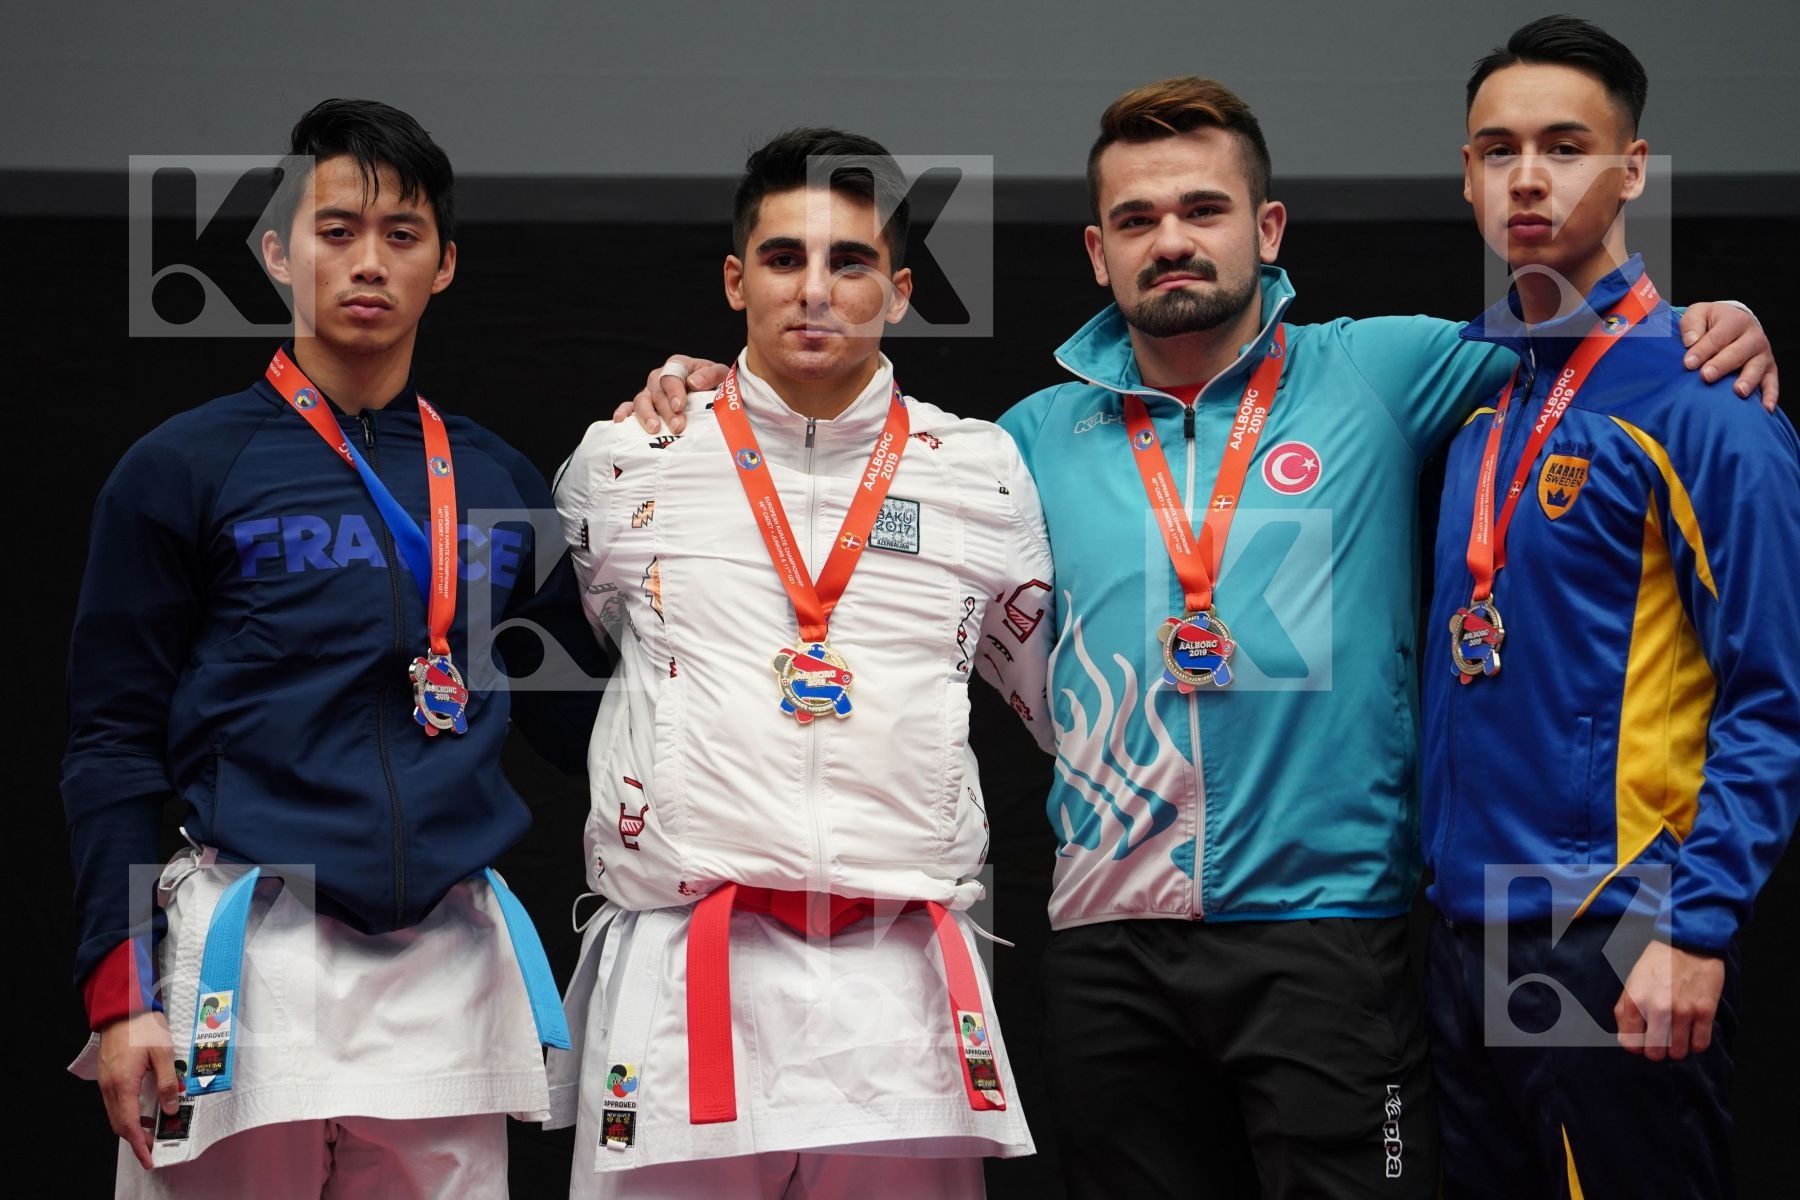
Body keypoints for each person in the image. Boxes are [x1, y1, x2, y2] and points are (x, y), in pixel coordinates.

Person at [619, 81, 1774, 1198]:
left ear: (1267, 228)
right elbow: (843, 453)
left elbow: (1585, 350)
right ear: (1096, 251)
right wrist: (714, 387)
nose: (1171, 240)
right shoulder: (1017, 445)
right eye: (1137, 219)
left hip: (1334, 935)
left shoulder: (1384, 370)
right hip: (1109, 946)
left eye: (1203, 210)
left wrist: (1706, 321)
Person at [62, 98, 608, 1197]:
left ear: (444, 265)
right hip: (250, 950)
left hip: (450, 960)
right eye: (336, 229)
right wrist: (121, 996)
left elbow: (596, 725)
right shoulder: (182, 468)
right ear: (275, 252)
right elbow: (111, 741)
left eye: (402, 236)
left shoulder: (498, 482)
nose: (369, 262)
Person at [547, 128, 1054, 1199]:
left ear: (902, 289)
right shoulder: (627, 460)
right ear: (737, 281)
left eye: (850, 262)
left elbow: (1046, 702)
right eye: (783, 259)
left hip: (901, 981)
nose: (814, 291)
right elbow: (594, 650)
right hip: (688, 974)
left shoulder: (982, 472)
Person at [1420, 17, 1800, 1198]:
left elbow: (1773, 693)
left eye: (1566, 145)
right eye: (1497, 149)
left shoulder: (1709, 400)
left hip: (1616, 930)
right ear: (1468, 175)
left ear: (1633, 169)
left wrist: (1692, 924)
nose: (1527, 176)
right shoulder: (1482, 404)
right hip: (1456, 934)